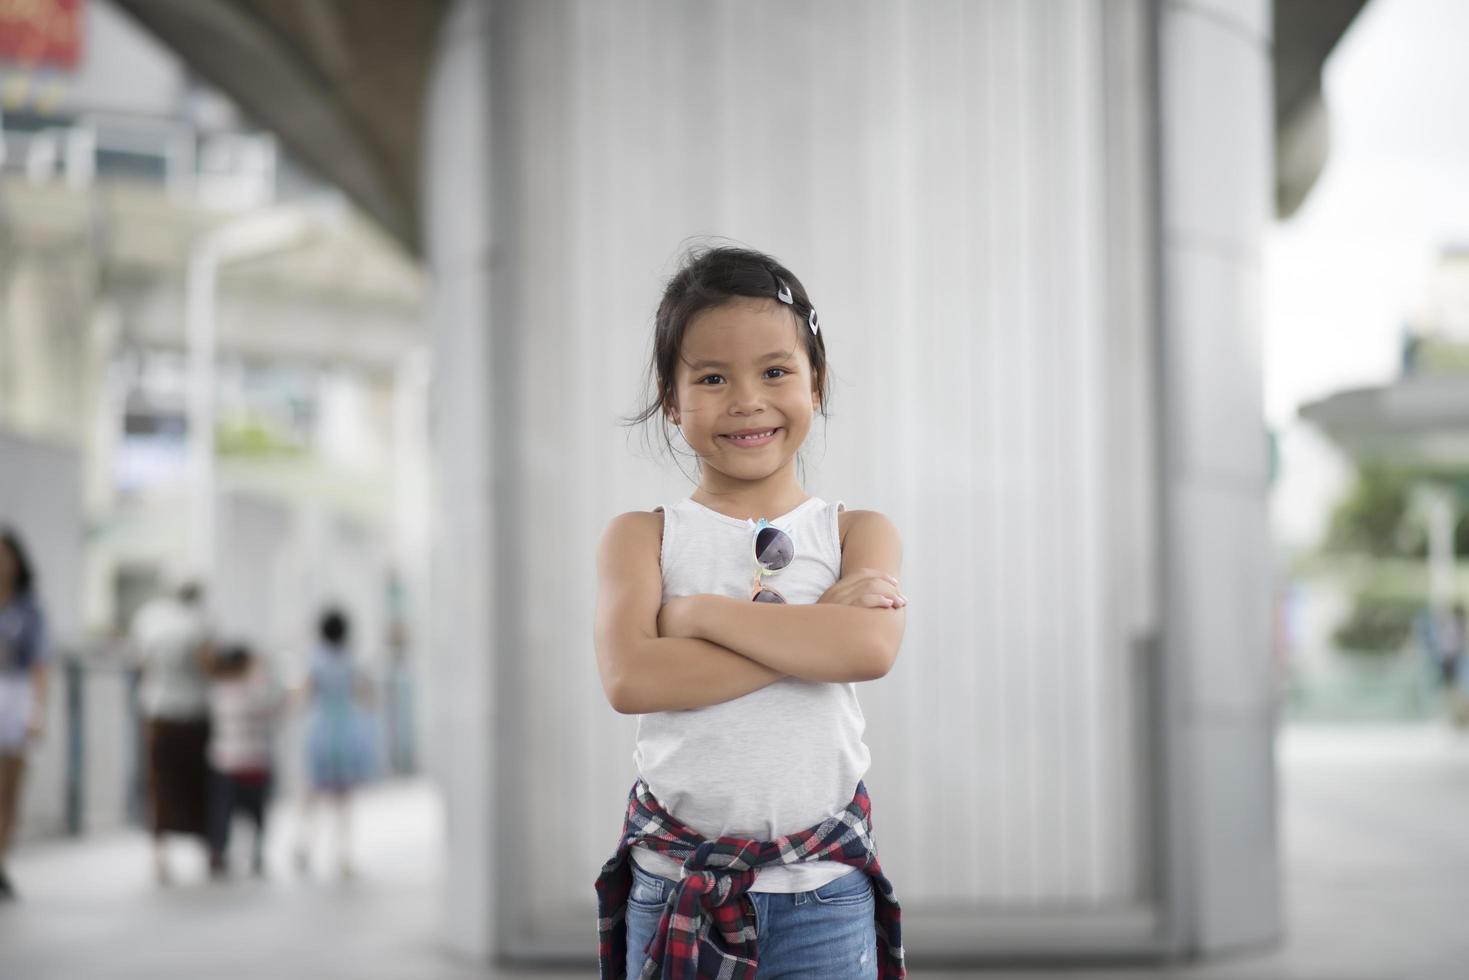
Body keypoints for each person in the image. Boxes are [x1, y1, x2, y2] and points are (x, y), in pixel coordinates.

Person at [593, 246, 907, 979]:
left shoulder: (857, 531)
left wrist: (697, 614)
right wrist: (811, 628)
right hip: (675, 886)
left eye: (775, 371)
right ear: (671, 402)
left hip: (822, 895)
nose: (745, 400)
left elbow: (867, 649)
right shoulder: (642, 536)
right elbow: (632, 680)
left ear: (815, 382)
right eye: (710, 378)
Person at [131, 580, 214, 884]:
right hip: (193, 713)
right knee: (197, 784)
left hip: (157, 711)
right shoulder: (199, 623)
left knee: (159, 784)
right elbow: (208, 666)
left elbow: (140, 662)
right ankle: (209, 851)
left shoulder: (148, 618)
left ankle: (159, 856)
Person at [294, 607, 375, 879]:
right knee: (343, 799)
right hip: (346, 731)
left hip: (321, 731)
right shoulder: (351, 660)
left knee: (313, 794)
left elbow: (304, 696)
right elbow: (366, 694)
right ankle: (342, 858)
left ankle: (304, 846)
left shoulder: (316, 661)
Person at [0, 528, 48, 901]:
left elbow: (39, 663)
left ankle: (2, 860)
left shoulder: (28, 608)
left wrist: (37, 710)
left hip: (14, 696)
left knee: (9, 789)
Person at [206, 644, 282, 878]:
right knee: (257, 813)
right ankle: (257, 852)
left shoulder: (216, 692)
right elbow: (275, 708)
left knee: (222, 812)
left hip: (225, 763)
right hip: (254, 764)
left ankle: (219, 851)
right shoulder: (253, 691)